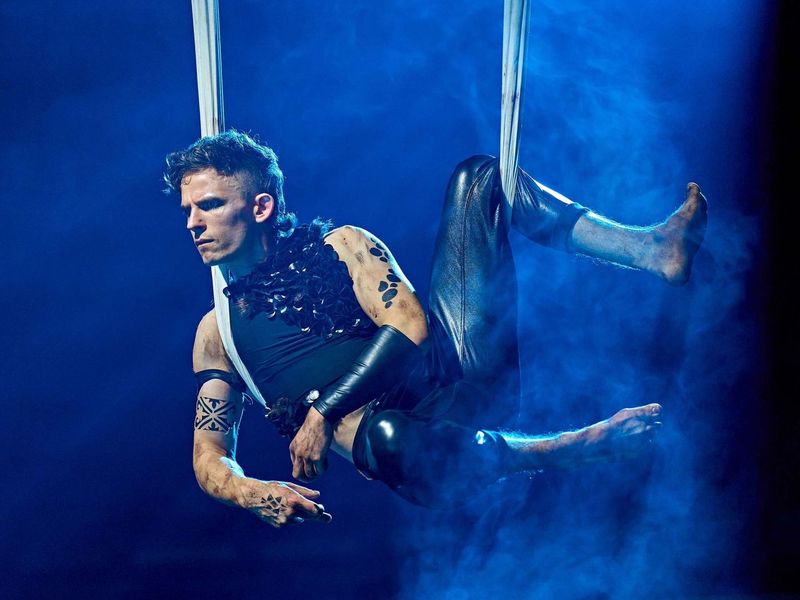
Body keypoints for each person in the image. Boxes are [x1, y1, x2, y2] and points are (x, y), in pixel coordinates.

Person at [164, 130, 706, 528]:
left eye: (209, 205)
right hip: (416, 451)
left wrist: (322, 412)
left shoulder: (343, 246)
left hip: (463, 374)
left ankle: (652, 248)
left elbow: (410, 326)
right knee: (387, 433)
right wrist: (252, 492)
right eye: (188, 209)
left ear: (260, 207)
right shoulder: (218, 333)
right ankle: (575, 446)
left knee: (481, 178)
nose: (192, 222)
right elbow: (209, 452)